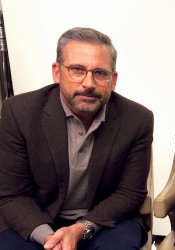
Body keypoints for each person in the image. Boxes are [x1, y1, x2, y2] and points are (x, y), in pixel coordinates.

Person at [0, 27, 154, 250]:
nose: (89, 83)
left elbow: (129, 193)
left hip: (103, 220)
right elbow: (13, 194)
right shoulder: (19, 112)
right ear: (56, 72)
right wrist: (48, 238)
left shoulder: (137, 119)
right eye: (77, 69)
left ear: (113, 80)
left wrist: (80, 229)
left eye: (100, 73)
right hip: (35, 216)